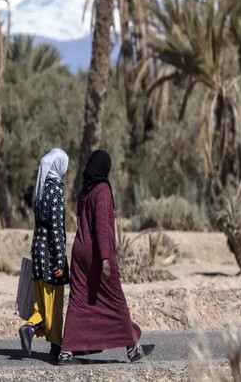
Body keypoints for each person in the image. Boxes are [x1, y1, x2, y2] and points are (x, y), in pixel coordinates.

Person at [57, 150, 155, 364]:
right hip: (97, 254)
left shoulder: (85, 190)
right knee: (115, 300)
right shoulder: (102, 190)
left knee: (78, 301)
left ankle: (66, 352)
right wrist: (105, 259)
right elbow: (102, 226)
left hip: (79, 252)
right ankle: (133, 349)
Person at [19, 148, 70, 361]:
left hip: (37, 252)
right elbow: (57, 228)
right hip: (50, 254)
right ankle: (44, 338)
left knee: (41, 301)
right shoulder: (55, 192)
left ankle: (34, 328)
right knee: (54, 305)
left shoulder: (39, 192)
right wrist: (60, 259)